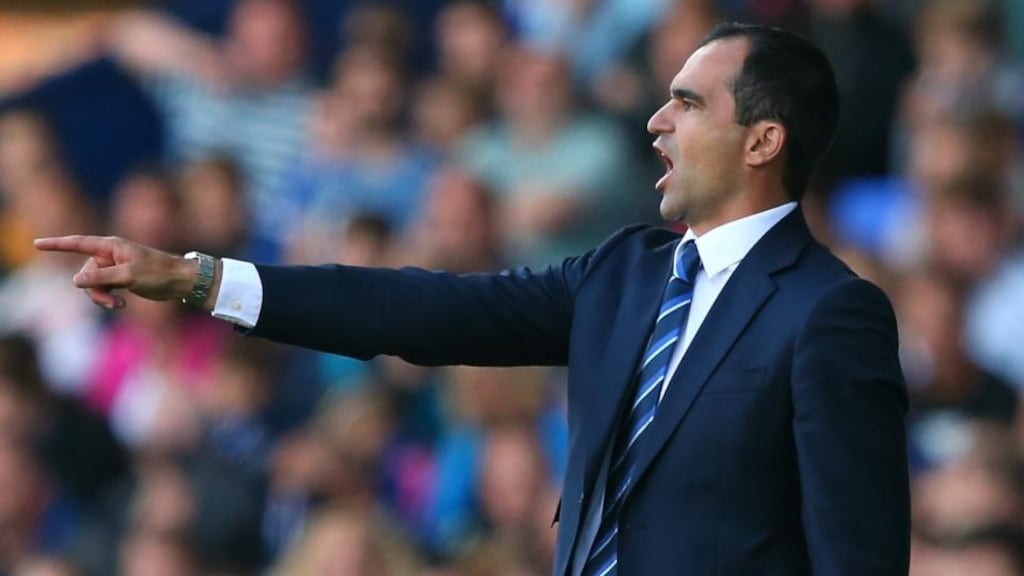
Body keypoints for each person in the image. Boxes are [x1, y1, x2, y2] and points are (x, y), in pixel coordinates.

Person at [36, 23, 910, 575]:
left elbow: (857, 553)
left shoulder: (831, 313)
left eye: (687, 102)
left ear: (763, 139)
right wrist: (196, 277)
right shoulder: (624, 271)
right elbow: (419, 312)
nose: (657, 121)